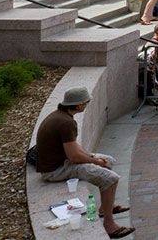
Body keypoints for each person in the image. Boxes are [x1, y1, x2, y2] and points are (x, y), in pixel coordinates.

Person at [31, 87, 133, 237]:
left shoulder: (61, 116)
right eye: (86, 102)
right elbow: (73, 157)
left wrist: (93, 157)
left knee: (109, 160)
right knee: (111, 179)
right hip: (55, 170)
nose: (87, 104)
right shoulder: (66, 122)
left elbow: (73, 147)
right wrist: (95, 162)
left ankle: (105, 208)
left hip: (61, 161)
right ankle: (109, 225)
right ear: (79, 105)